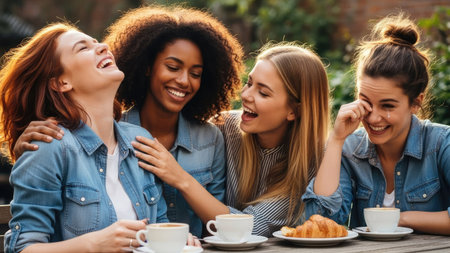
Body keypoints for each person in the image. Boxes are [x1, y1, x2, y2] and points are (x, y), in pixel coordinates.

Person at [12, 5, 244, 238]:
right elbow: (27, 240)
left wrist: (178, 179)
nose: (184, 81)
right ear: (146, 67)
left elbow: (185, 228)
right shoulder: (69, 141)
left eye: (196, 74)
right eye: (172, 67)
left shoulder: (190, 138)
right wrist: (25, 150)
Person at [0, 23, 169, 252]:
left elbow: (160, 228)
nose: (103, 47)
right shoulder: (49, 146)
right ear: (61, 82)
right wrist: (94, 244)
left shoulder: (139, 140)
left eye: (96, 42)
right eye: (83, 48)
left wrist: (178, 241)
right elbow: (22, 248)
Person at [132, 42, 331, 237]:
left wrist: (180, 178)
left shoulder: (310, 163)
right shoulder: (223, 128)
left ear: (294, 111)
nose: (245, 95)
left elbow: (248, 229)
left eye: (263, 92)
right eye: (249, 83)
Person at [302, 14, 450, 235]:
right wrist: (336, 140)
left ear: (416, 102)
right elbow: (321, 221)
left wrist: (402, 218)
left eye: (388, 106)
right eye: (366, 102)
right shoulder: (349, 150)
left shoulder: (441, 144)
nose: (373, 118)